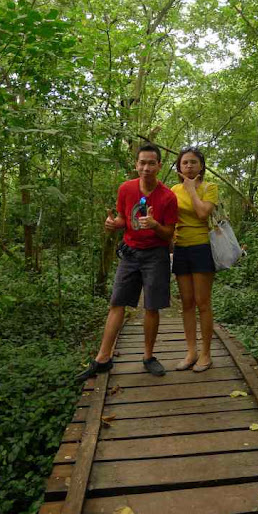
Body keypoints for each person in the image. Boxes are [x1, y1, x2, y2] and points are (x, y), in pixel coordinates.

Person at [76, 143, 178, 382]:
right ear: (136, 165)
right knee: (117, 303)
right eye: (142, 162)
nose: (146, 167)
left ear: (159, 166)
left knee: (151, 307)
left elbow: (169, 234)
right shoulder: (126, 189)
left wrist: (155, 226)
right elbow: (124, 219)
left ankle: (149, 356)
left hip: (156, 255)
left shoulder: (168, 197)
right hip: (130, 253)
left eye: (151, 163)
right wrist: (113, 224)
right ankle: (102, 358)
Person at [171, 147, 218, 372]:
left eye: (193, 162)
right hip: (180, 249)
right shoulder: (172, 190)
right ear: (179, 168)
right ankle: (191, 352)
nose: (189, 166)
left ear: (201, 165)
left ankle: (206, 354)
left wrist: (191, 190)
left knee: (203, 303)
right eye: (185, 163)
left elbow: (202, 214)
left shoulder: (210, 188)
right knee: (187, 304)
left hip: (201, 248)